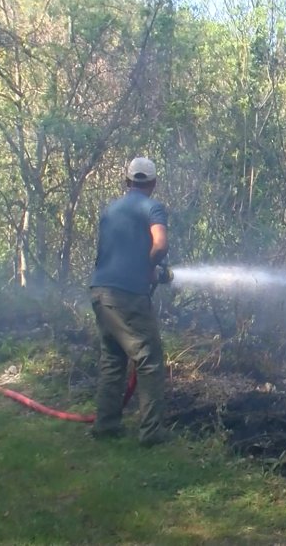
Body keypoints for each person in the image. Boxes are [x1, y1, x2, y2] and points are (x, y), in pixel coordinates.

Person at [88, 156, 170, 446]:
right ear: (154, 183)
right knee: (149, 360)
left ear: (127, 182)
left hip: (100, 291)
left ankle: (106, 425)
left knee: (113, 359)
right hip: (127, 296)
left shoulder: (110, 210)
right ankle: (151, 433)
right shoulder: (152, 207)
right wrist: (149, 268)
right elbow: (160, 245)